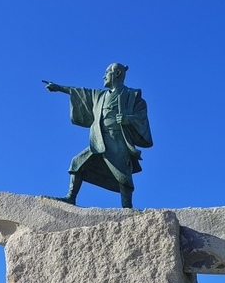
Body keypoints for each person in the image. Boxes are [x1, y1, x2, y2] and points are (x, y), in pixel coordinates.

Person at [44, 63, 153, 209]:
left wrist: (128, 119)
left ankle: (127, 208)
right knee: (77, 162)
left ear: (118, 74)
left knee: (123, 176)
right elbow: (81, 92)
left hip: (118, 139)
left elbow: (141, 114)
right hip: (100, 139)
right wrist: (59, 88)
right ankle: (71, 197)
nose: (104, 76)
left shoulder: (132, 95)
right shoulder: (100, 96)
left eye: (107, 72)